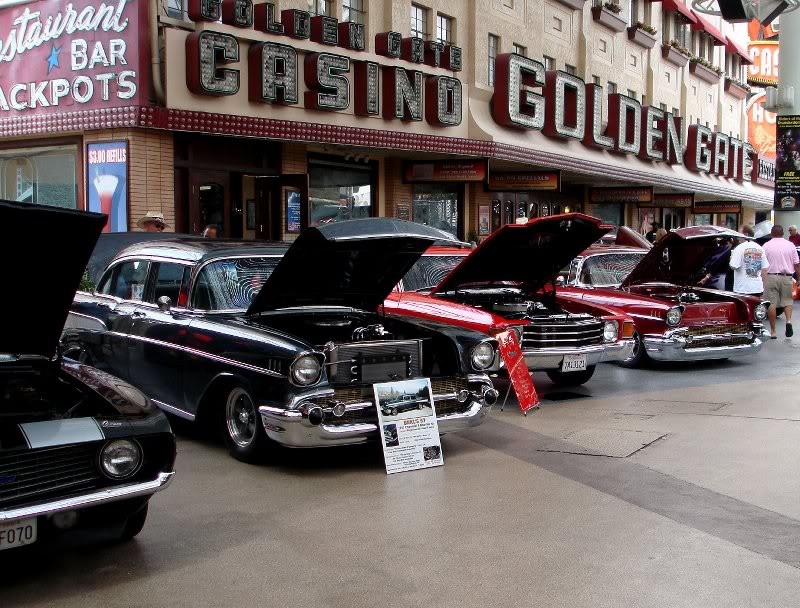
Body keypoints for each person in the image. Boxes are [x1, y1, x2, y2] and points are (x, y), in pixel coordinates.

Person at [763, 225, 800, 338]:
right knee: (787, 301)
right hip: (786, 277)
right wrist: (798, 279)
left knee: (771, 303)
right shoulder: (790, 245)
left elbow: (762, 265)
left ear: (771, 233)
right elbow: (797, 264)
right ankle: (788, 321)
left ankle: (773, 332)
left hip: (771, 276)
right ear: (783, 233)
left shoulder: (766, 246)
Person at [729, 226, 768, 296]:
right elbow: (765, 269)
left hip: (742, 288)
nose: (737, 237)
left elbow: (734, 266)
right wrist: (763, 287)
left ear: (746, 234)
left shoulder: (739, 248)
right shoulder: (760, 248)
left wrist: (731, 259)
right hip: (757, 288)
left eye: (739, 234)